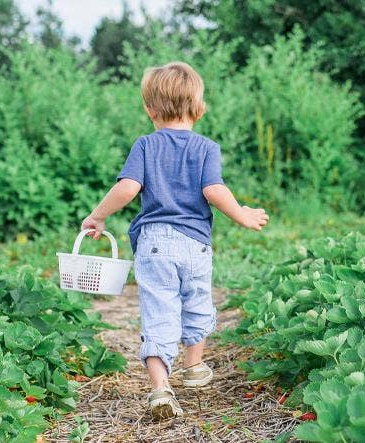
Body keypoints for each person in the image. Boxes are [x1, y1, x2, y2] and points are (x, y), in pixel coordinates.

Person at [80, 61, 269, 418]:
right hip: (195, 244)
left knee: (158, 311)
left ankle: (160, 388)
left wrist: (99, 215)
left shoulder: (145, 145)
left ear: (150, 110)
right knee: (197, 301)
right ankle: (194, 366)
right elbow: (214, 190)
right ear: (199, 108)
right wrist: (242, 214)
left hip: (154, 244)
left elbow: (128, 187)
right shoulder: (206, 148)